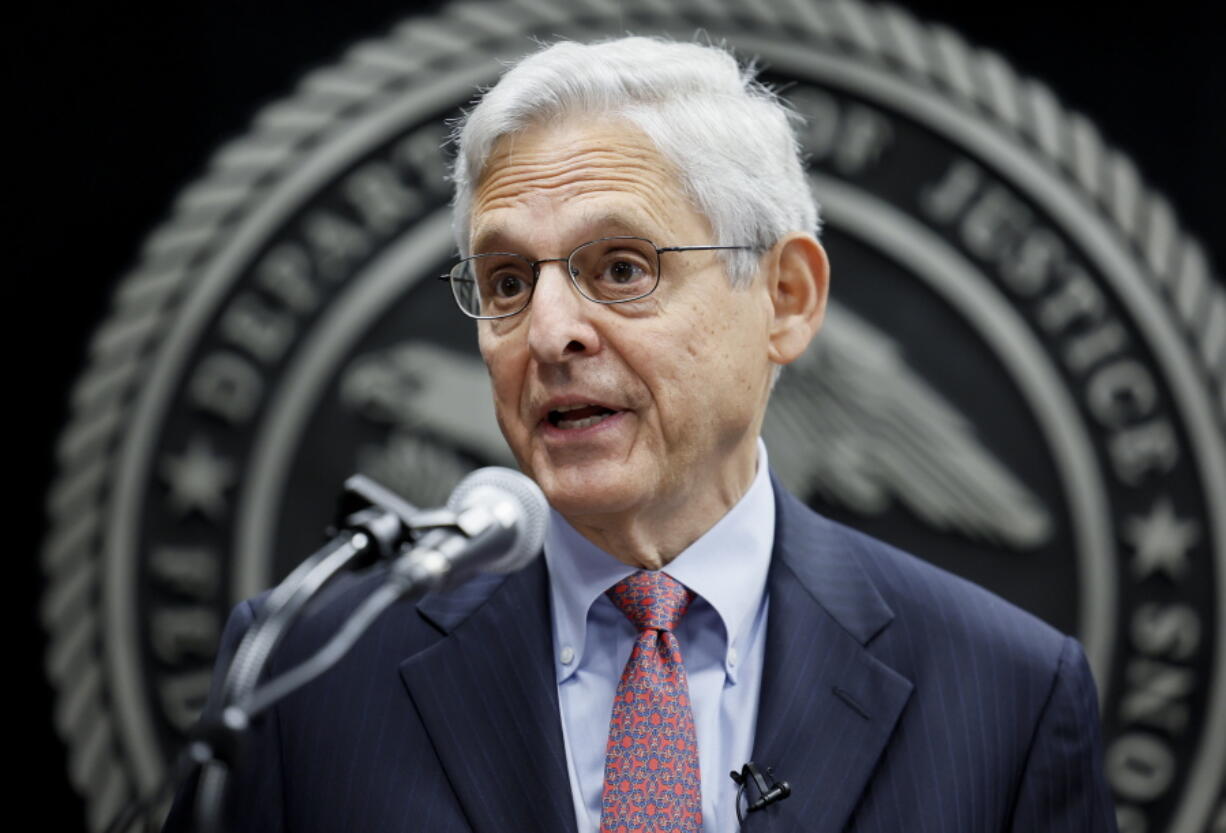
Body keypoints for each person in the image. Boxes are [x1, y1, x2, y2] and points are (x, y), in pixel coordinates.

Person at [166, 36, 1118, 833]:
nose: (547, 332)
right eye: (506, 282)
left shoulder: (1009, 694)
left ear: (785, 298)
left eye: (621, 267)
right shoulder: (308, 676)